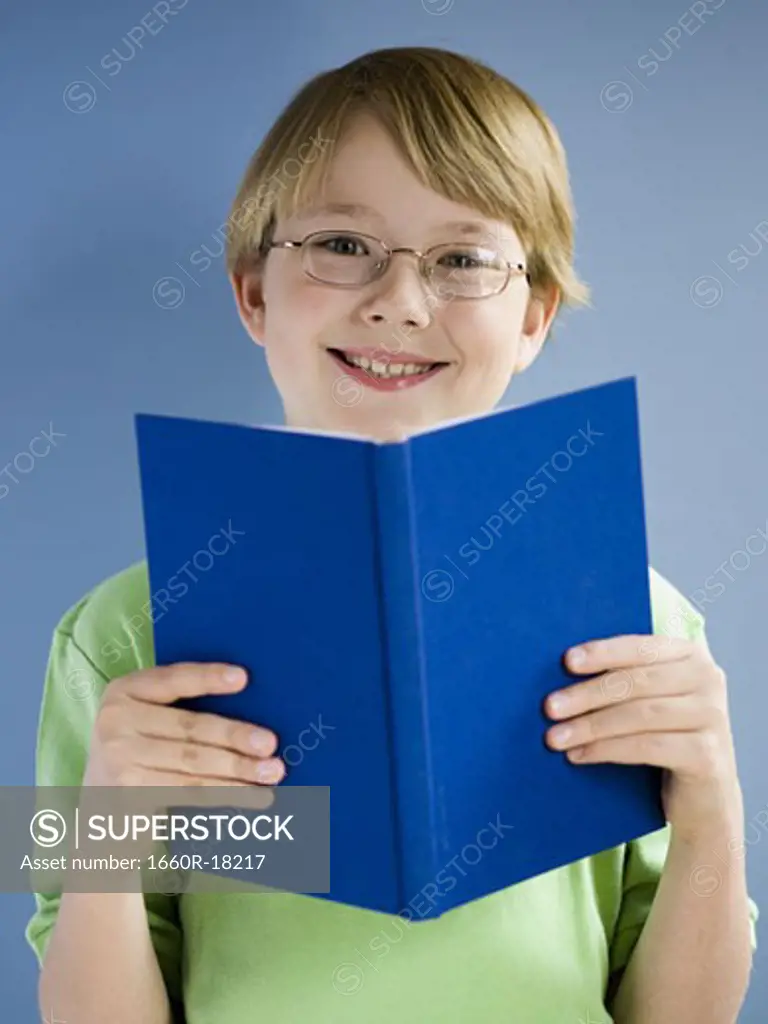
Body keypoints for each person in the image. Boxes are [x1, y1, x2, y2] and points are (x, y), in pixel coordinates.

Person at [26, 46, 758, 1024]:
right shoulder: (112, 635)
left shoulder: (646, 625)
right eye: (339, 244)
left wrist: (715, 809)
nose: (401, 300)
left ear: (534, 314)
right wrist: (105, 834)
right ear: (252, 291)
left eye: (462, 259)